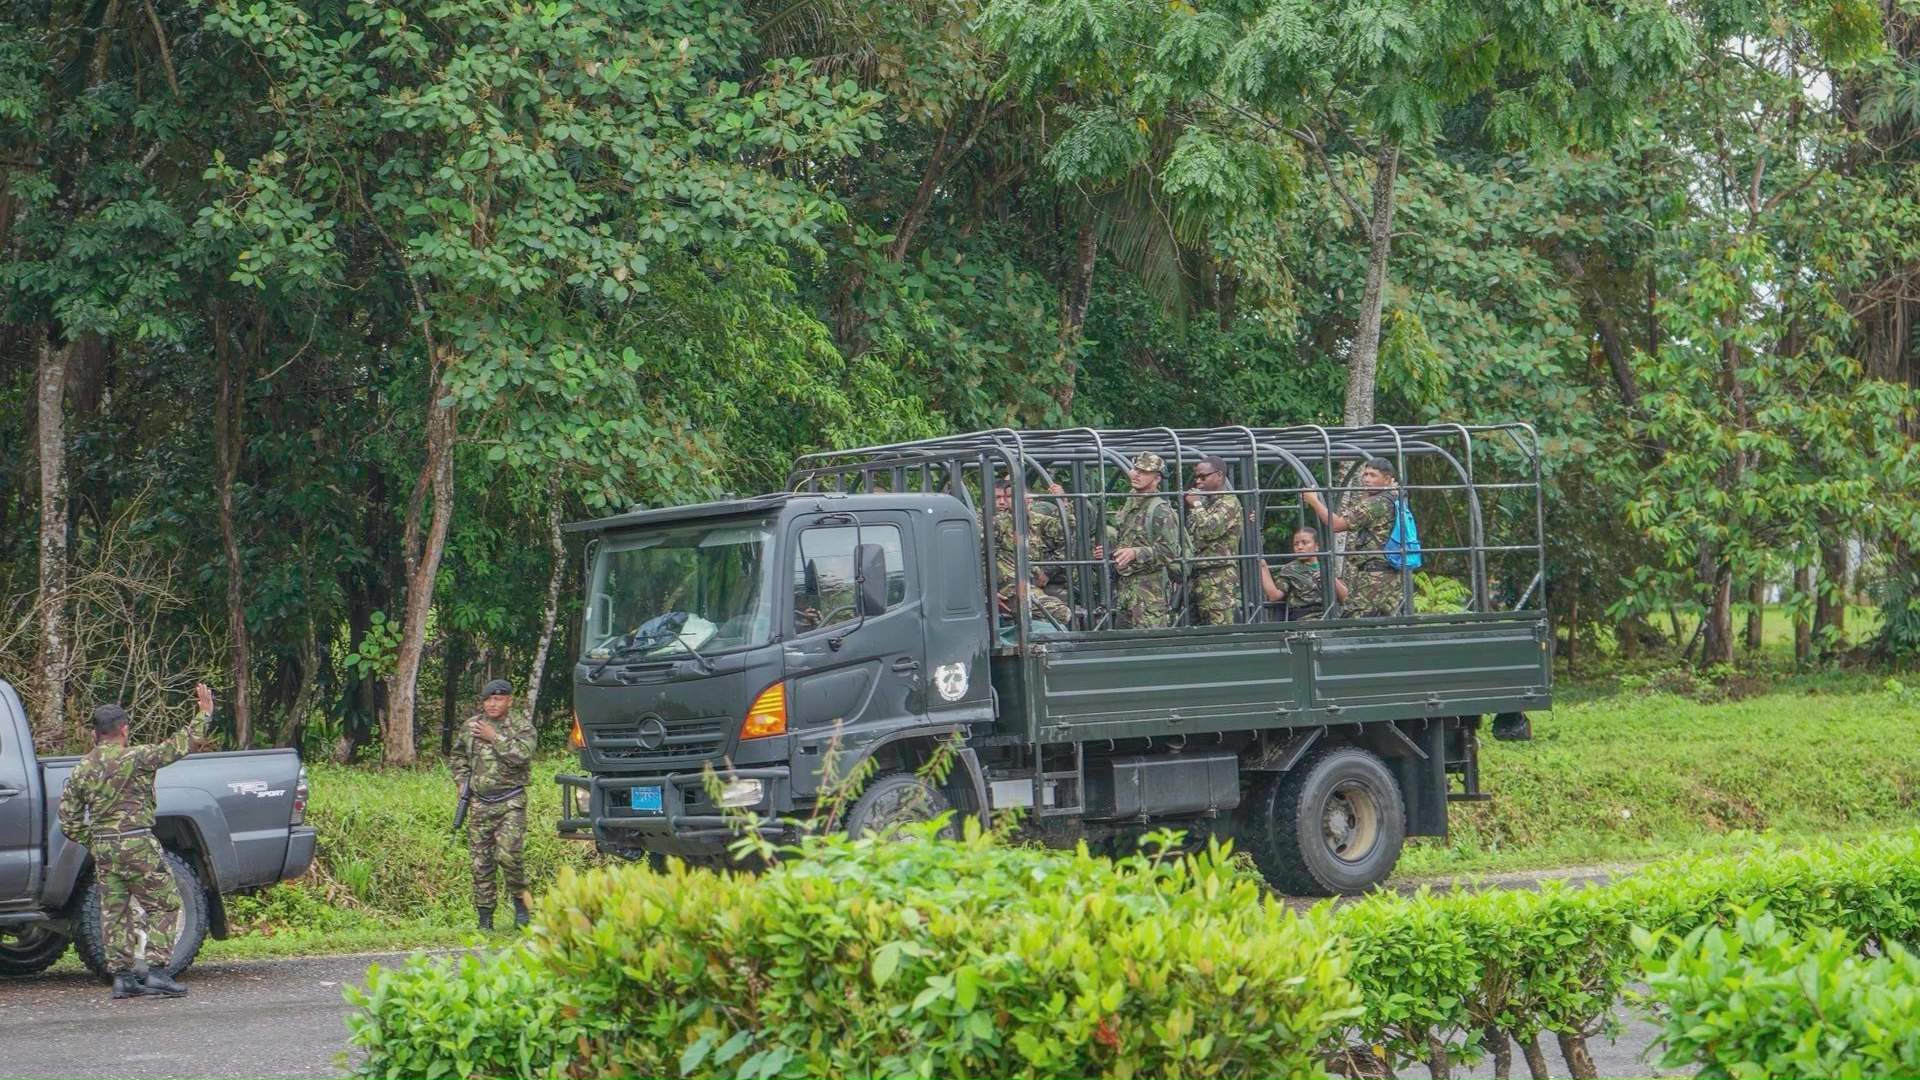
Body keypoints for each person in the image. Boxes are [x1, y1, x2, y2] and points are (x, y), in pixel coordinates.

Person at [57, 682, 214, 999]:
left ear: (95, 734)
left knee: (114, 911)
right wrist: (205, 712)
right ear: (124, 730)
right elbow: (181, 744)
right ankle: (157, 972)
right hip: (137, 843)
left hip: (104, 848)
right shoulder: (137, 757)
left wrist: (97, 839)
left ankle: (123, 978)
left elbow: (68, 821)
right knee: (166, 903)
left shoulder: (81, 770)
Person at [452, 678, 537, 930]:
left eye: (498, 699)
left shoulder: (521, 727)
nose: (492, 704)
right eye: (488, 699)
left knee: (509, 856)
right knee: (481, 862)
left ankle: (522, 906)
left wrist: (494, 736)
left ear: (509, 700)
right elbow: (457, 756)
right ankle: (485, 919)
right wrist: (460, 781)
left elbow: (522, 756)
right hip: (480, 803)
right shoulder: (471, 726)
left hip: (510, 801)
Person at [1302, 457, 1406, 617]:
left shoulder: (1377, 502)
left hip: (1375, 574)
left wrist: (1314, 501)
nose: (1366, 479)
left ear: (1386, 479)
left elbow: (1336, 525)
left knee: (1355, 618)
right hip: (1387, 573)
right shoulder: (1393, 496)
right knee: (1381, 619)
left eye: (1372, 475)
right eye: (1365, 475)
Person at [1098, 452, 1181, 628]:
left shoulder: (1161, 511)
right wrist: (1111, 552)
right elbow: (1128, 540)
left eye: (1144, 472)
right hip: (1126, 592)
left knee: (1150, 649)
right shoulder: (1131, 504)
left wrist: (1135, 553)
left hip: (1149, 594)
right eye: (1136, 469)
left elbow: (1169, 552)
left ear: (1157, 478)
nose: (1136, 474)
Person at [986, 479, 1072, 632]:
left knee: (1064, 609)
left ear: (1030, 498)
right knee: (1061, 613)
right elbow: (981, 557)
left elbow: (1066, 528)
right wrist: (989, 590)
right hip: (1010, 587)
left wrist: (1063, 502)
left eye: (1022, 496)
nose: (1017, 500)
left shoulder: (1037, 520)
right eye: (1011, 496)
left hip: (1031, 582)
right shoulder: (997, 524)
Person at [1185, 456, 1243, 625]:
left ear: (1218, 475)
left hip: (1219, 577)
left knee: (1220, 626)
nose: (1198, 482)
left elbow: (1209, 530)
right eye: (1196, 477)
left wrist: (1196, 505)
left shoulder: (1229, 503)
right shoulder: (1207, 503)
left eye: (1203, 477)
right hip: (1199, 575)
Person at [1260, 527, 1350, 619]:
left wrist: (1330, 577)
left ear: (1317, 546)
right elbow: (1275, 596)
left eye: (1305, 543)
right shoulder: (1290, 569)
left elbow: (1344, 598)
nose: (1300, 547)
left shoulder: (1327, 566)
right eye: (1296, 544)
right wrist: (1262, 567)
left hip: (1333, 616)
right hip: (1306, 618)